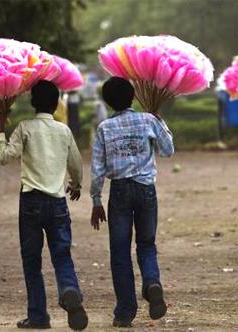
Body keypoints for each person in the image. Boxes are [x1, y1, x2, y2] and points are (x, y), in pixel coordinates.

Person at [0, 80, 88, 330]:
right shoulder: (64, 131)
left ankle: (38, 316)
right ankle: (69, 289)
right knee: (62, 254)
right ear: (57, 104)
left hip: (31, 202)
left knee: (32, 261)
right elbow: (76, 165)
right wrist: (75, 185)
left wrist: (0, 129)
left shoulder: (25, 128)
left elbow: (5, 157)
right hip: (57, 203)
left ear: (32, 102)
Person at [90, 77, 174, 328]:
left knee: (119, 251)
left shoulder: (105, 128)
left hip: (119, 192)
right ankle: (152, 282)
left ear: (108, 101)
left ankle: (124, 312)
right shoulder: (149, 120)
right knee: (146, 244)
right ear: (133, 96)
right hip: (146, 189)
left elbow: (97, 169)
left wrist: (96, 200)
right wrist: (159, 118)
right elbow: (168, 150)